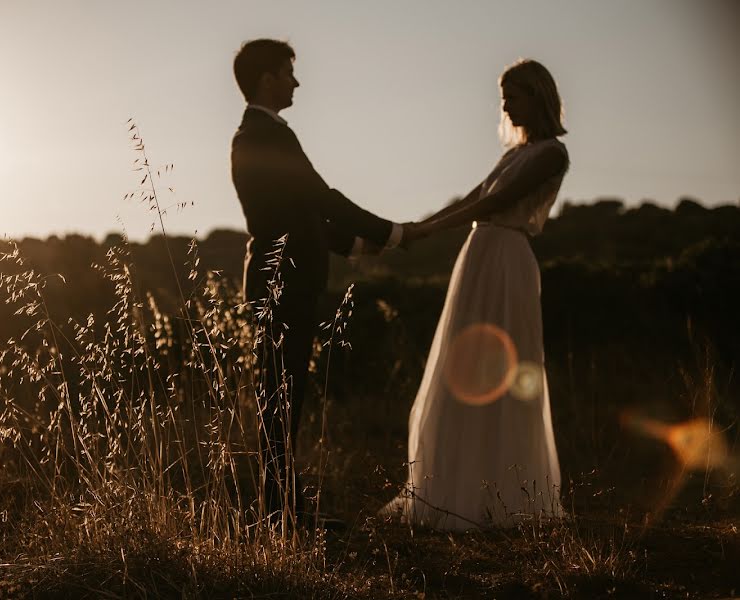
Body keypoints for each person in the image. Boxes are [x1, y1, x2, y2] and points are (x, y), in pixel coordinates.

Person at [230, 38, 413, 525]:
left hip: (286, 276)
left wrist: (352, 246)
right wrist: (390, 232)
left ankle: (285, 511)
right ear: (267, 78)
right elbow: (321, 197)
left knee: (285, 396)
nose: (296, 81)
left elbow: (296, 211)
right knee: (280, 397)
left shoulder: (261, 135)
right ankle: (281, 516)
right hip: (282, 280)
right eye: (289, 71)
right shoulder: (265, 136)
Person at [382, 58, 569, 529]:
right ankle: (455, 488)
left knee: (505, 368)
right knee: (462, 365)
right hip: (479, 256)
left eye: (514, 95)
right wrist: (421, 228)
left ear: (538, 96)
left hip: (507, 260)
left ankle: (505, 494)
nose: (505, 105)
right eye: (503, 96)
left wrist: (435, 228)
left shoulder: (551, 153)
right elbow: (472, 197)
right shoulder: (511, 155)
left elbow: (494, 203)